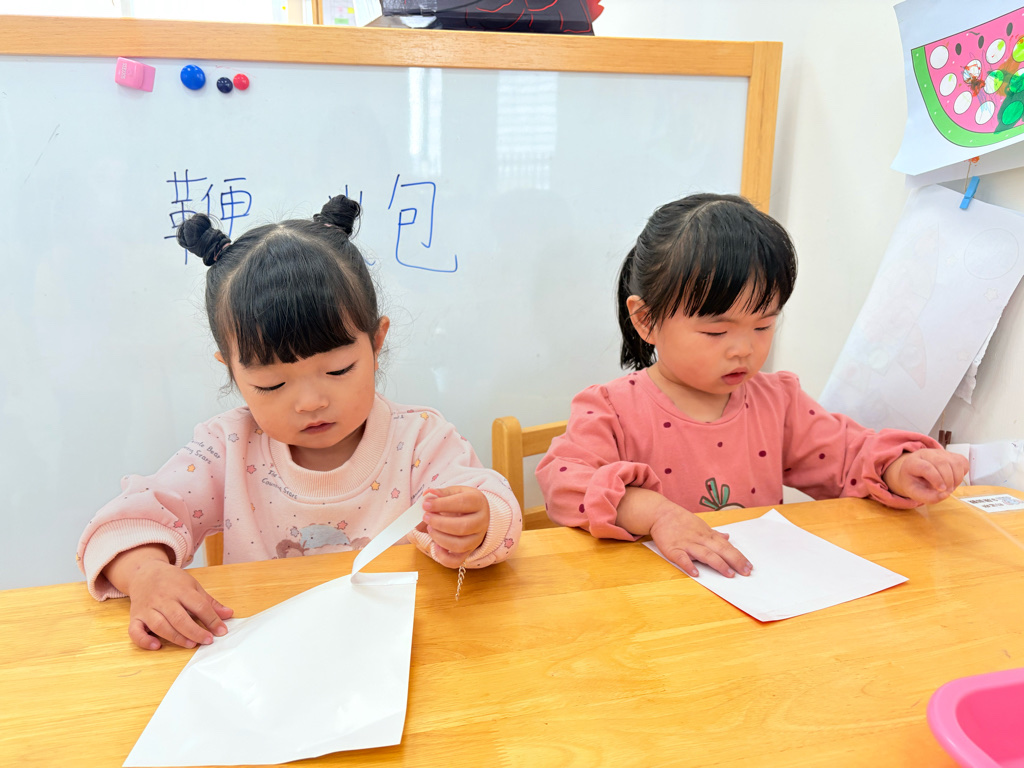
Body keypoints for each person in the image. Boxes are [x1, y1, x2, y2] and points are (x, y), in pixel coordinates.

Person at [77, 196, 522, 651]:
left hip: (401, 651)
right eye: (272, 384)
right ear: (232, 371)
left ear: (376, 343)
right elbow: (121, 524)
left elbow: (497, 513)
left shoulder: (420, 440)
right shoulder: (227, 448)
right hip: (268, 658)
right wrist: (147, 574)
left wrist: (478, 523)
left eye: (338, 370)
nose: (311, 403)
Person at [536, 193, 967, 580]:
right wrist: (656, 514)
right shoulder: (610, 409)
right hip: (650, 608)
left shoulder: (777, 402)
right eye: (716, 332)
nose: (743, 349)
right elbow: (564, 483)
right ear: (646, 320)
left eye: (763, 326)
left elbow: (848, 456)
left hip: (753, 597)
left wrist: (900, 468)